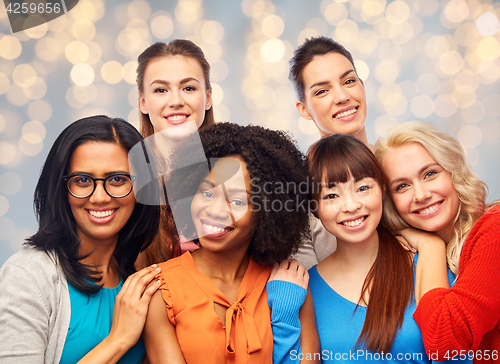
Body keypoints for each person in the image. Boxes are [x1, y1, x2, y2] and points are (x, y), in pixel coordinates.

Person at [142, 123, 319, 363]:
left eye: (236, 201)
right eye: (206, 193)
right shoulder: (160, 291)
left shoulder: (289, 284)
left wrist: (285, 313)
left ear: (266, 213)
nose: (214, 210)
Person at [0, 115, 161, 364]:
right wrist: (118, 340)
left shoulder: (137, 275)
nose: (99, 197)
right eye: (83, 180)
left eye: (117, 179)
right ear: (62, 189)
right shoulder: (28, 274)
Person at [306, 134, 470, 363]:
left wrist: (430, 246)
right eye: (331, 195)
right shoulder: (307, 289)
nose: (351, 206)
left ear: (382, 190)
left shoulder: (428, 262)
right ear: (315, 208)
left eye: (363, 188)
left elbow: (455, 356)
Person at [374, 121, 500, 362]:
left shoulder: (495, 227)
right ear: (390, 202)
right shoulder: (410, 258)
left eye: (430, 174)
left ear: (454, 172)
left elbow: (445, 341)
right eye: (402, 186)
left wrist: (430, 246)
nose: (421, 195)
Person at [289, 36, 370, 269]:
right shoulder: (298, 190)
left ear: (362, 86)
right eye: (322, 91)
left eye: (349, 81)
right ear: (304, 109)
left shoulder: (399, 161)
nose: (342, 97)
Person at [135, 39, 215, 268]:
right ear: (143, 102)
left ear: (208, 97)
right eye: (161, 90)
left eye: (188, 88)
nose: (176, 101)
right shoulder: (126, 176)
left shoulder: (237, 168)